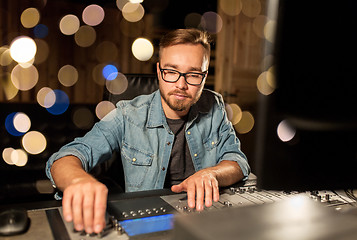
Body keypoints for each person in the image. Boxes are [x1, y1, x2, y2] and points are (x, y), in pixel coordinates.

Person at [46, 28, 250, 234]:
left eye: (194, 74)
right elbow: (65, 157)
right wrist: (78, 180)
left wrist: (211, 174)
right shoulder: (127, 114)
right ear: (159, 70)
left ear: (204, 76)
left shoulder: (214, 106)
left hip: (204, 221)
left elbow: (237, 161)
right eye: (171, 71)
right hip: (148, 225)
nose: (181, 85)